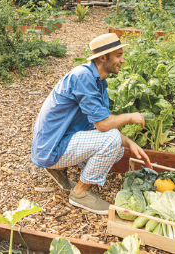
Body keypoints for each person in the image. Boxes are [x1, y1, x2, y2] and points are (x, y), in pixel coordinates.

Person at [31, 33, 152, 215]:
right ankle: (80, 193)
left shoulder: (98, 81)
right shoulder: (83, 77)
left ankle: (59, 170)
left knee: (118, 147)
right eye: (118, 55)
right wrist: (129, 116)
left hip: (56, 141)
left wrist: (130, 143)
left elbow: (102, 124)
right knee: (112, 141)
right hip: (50, 147)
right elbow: (104, 126)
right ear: (103, 57)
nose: (123, 60)